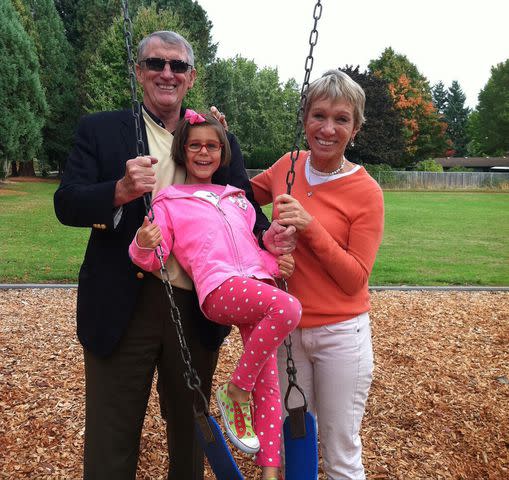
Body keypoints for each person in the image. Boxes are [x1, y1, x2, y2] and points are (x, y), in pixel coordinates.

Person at [54, 30, 295, 480]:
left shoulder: (212, 136)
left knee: (192, 430)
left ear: (191, 76)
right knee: (113, 430)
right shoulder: (103, 130)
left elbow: (244, 209)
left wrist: (273, 240)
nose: (167, 73)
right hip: (123, 296)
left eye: (177, 66)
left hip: (200, 298)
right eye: (155, 63)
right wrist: (120, 191)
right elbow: (66, 203)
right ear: (139, 71)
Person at [129, 111, 301, 480]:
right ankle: (237, 390)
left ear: (222, 153)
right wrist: (143, 245)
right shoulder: (169, 201)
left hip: (256, 285)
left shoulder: (237, 198)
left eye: (212, 146)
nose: (204, 152)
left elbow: (254, 246)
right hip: (219, 290)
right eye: (195, 145)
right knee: (289, 308)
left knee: (269, 381)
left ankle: (270, 473)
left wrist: (275, 248)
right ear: (182, 151)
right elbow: (157, 255)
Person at [251, 70, 384, 480]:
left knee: (339, 452)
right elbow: (235, 199)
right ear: (305, 118)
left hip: (340, 334)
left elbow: (354, 279)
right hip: (286, 328)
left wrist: (310, 227)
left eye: (341, 119)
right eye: (318, 115)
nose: (327, 128)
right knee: (294, 442)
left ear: (355, 129)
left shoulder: (366, 192)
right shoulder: (287, 165)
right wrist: (264, 247)